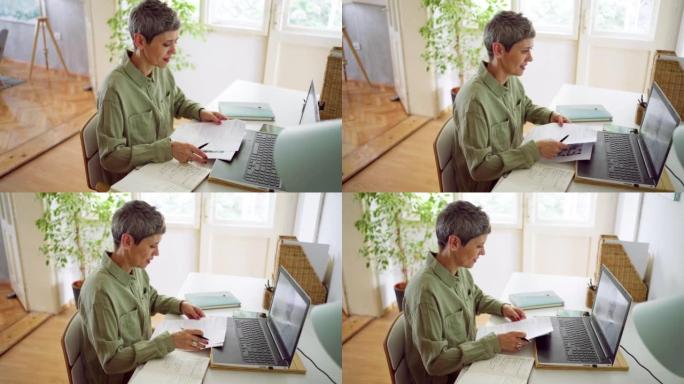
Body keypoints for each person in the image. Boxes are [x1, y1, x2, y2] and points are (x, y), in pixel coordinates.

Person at [96, 0, 227, 184]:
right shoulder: (114, 90)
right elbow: (110, 157)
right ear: (140, 41)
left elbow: (178, 101)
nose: (174, 51)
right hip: (137, 178)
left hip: (168, 166)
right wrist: (167, 150)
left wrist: (200, 112)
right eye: (167, 44)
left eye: (175, 42)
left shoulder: (161, 69)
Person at [79, 200, 208, 383]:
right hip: (124, 377)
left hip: (144, 362)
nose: (157, 253)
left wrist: (180, 305)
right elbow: (111, 362)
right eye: (152, 246)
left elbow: (151, 299)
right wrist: (168, 342)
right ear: (127, 241)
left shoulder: (136, 270)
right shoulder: (100, 292)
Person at [403, 201, 528, 383]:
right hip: (450, 377)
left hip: (467, 364)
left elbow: (476, 297)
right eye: (478, 246)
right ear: (454, 242)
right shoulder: (425, 294)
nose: (483, 252)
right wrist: (495, 343)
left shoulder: (459, 270)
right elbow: (435, 362)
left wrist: (503, 308)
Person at [452, 11, 569, 191]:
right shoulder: (474, 102)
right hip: (491, 186)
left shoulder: (510, 78)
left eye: (530, 50)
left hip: (512, 170)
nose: (530, 58)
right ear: (499, 50)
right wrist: (535, 150)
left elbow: (525, 107)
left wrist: (551, 116)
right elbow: (480, 169)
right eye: (524, 51)